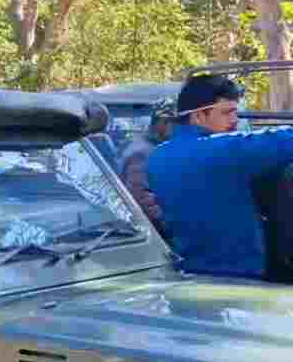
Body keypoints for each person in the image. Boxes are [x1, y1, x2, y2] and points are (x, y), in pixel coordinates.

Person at [148, 75, 293, 280]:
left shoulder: (157, 156)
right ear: (198, 115)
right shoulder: (222, 151)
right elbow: (282, 140)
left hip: (189, 272)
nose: (235, 120)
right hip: (239, 275)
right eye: (227, 113)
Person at [119, 98, 174, 238]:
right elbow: (144, 204)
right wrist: (176, 230)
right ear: (163, 123)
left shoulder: (155, 148)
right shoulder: (142, 154)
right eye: (177, 124)